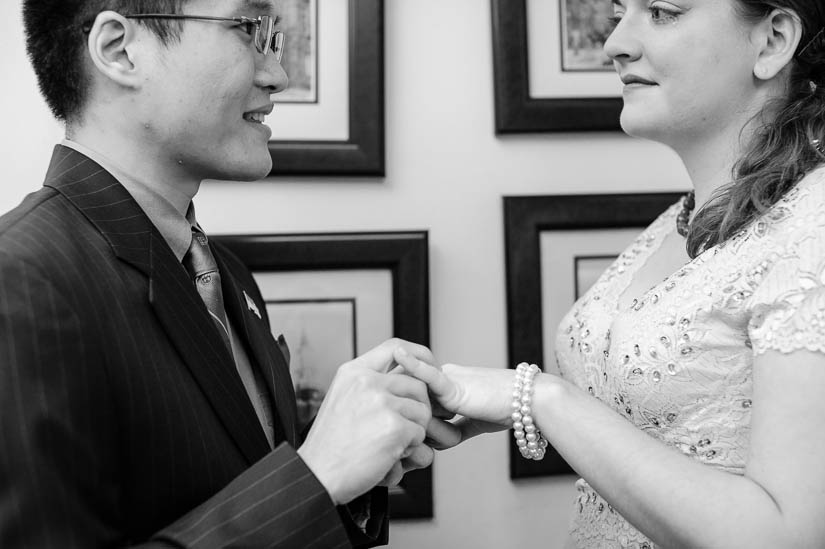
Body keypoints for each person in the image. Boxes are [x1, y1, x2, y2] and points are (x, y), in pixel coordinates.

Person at [0, 1, 442, 547]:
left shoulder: (226, 274)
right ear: (119, 50)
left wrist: (351, 468)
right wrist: (316, 477)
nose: (278, 75)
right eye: (249, 29)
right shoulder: (16, 281)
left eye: (274, 38)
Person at [395, 0, 825, 547]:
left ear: (772, 41)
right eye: (620, 11)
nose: (615, 42)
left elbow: (785, 536)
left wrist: (539, 400)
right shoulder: (678, 219)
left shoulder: (814, 228)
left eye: (663, 12)